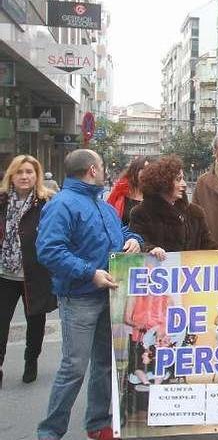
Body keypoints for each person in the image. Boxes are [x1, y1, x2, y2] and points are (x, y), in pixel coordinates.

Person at [36, 149, 143, 440]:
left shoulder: (102, 205)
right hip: (79, 298)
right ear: (93, 170)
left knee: (104, 364)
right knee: (73, 367)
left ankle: (98, 423)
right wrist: (89, 273)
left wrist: (134, 240)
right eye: (103, 166)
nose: (107, 171)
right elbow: (49, 251)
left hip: (108, 296)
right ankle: (50, 431)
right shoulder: (62, 205)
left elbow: (119, 234)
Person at [0, 155, 56, 388]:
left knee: (36, 322)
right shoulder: (2, 201)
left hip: (36, 274)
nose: (24, 176)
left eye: (29, 172)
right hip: (4, 273)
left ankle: (31, 360)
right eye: (20, 172)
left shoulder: (47, 202)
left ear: (37, 176)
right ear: (11, 175)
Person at [129, 155, 218, 256]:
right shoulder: (140, 213)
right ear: (163, 183)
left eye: (183, 179)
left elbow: (208, 246)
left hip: (191, 270)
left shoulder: (195, 212)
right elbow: (138, 243)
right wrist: (151, 249)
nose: (184, 184)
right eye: (178, 179)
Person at [106, 155, 150, 226]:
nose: (146, 173)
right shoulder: (120, 191)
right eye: (143, 169)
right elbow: (107, 214)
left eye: (149, 169)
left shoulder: (154, 195)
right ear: (135, 171)